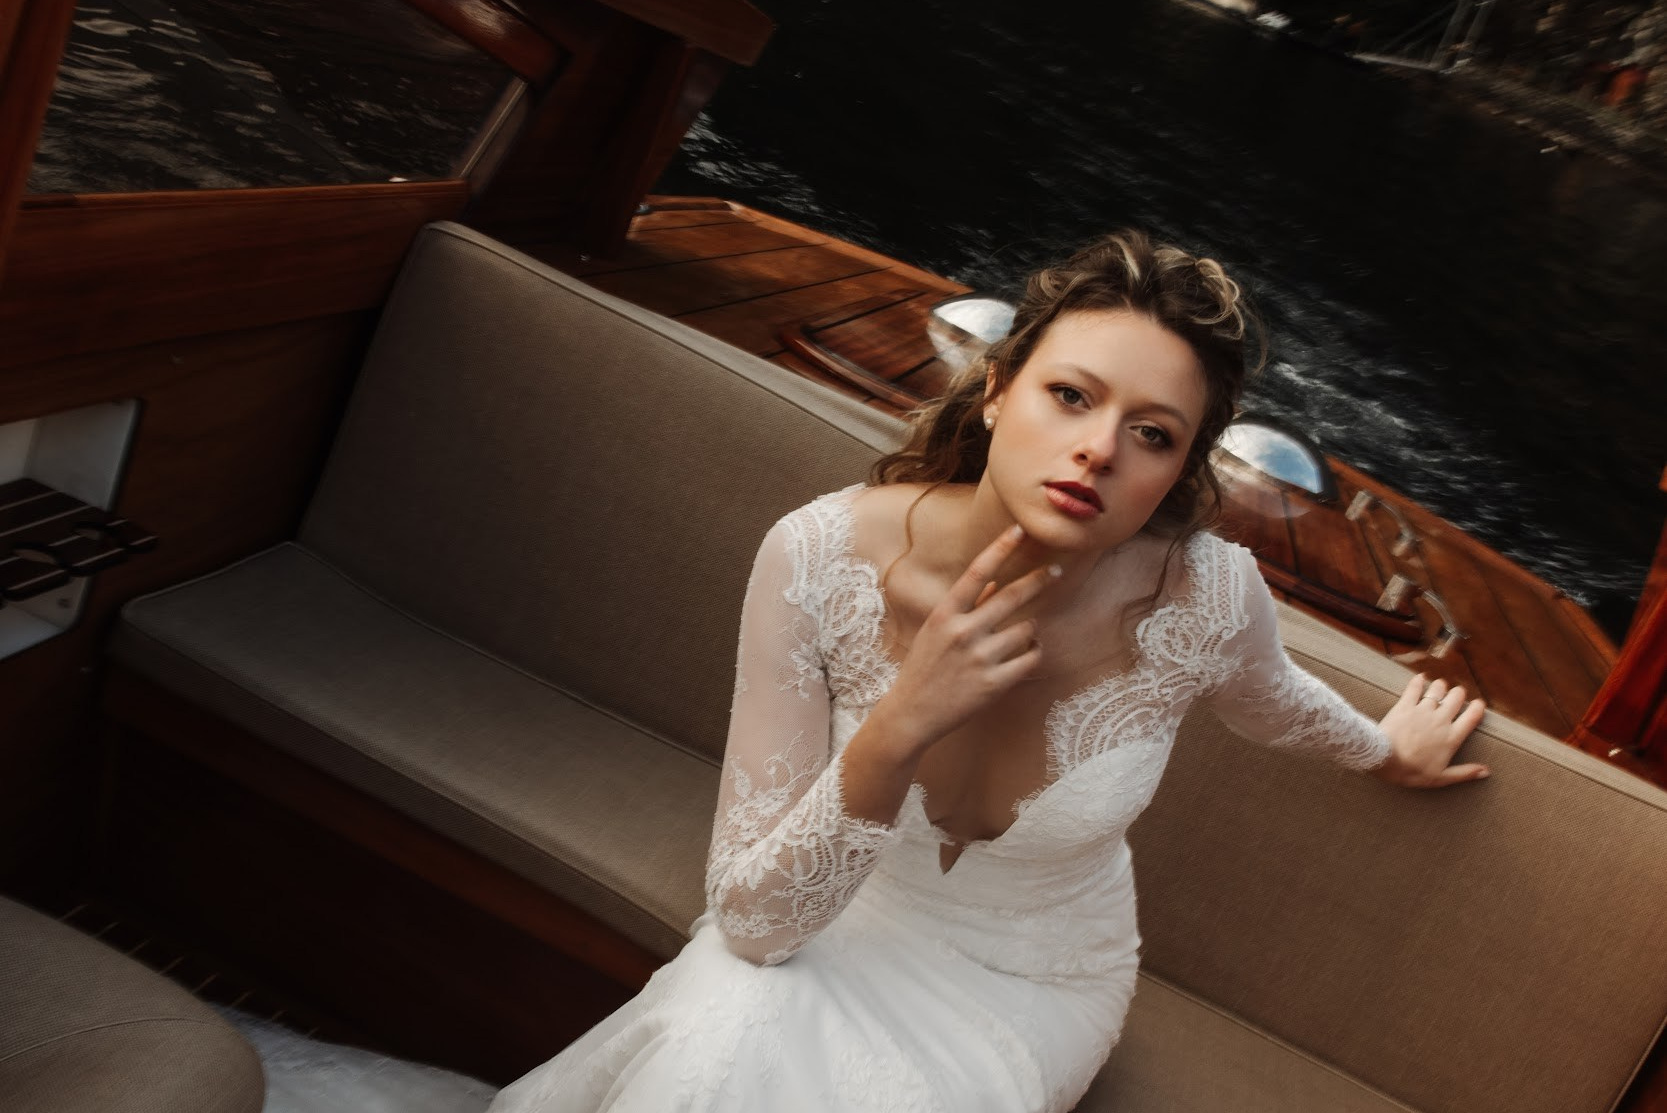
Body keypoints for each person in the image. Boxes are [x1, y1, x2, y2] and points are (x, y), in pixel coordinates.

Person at [488, 231, 1489, 1113]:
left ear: (1177, 471)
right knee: (722, 1033)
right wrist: (897, 725)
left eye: (1151, 435)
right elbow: (754, 927)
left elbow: (1278, 707)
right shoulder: (816, 557)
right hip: (840, 919)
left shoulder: (1204, 598)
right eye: (1069, 395)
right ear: (1000, 386)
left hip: (1034, 984)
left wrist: (1384, 751)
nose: (1097, 450)